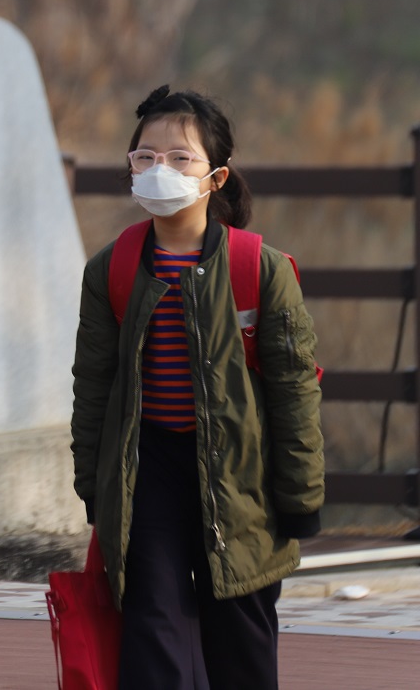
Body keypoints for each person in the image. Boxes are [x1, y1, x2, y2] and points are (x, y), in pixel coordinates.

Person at [70, 85, 324, 690]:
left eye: (180, 158)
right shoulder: (113, 267)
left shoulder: (258, 268)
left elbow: (294, 388)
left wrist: (302, 494)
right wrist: (92, 483)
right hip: (149, 474)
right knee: (151, 635)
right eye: (145, 157)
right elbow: (93, 385)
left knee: (240, 641)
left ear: (216, 177)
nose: (160, 170)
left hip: (243, 480)